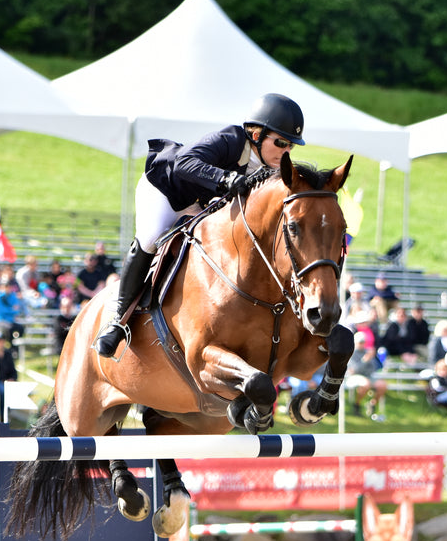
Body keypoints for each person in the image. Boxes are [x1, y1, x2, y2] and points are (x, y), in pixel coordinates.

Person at [94, 93, 305, 357]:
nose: (286, 151)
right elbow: (184, 163)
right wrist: (225, 178)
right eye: (282, 142)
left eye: (291, 147)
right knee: (151, 237)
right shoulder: (229, 140)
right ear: (256, 134)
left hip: (201, 206)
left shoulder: (270, 170)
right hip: (166, 190)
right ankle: (116, 321)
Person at [345, 331, 388, 420]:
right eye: (360, 342)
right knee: (365, 384)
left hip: (368, 376)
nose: (362, 344)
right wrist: (365, 361)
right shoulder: (350, 353)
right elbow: (353, 370)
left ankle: (372, 404)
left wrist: (369, 359)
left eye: (363, 342)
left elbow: (373, 368)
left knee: (382, 385)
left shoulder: (367, 352)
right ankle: (357, 405)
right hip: (353, 377)